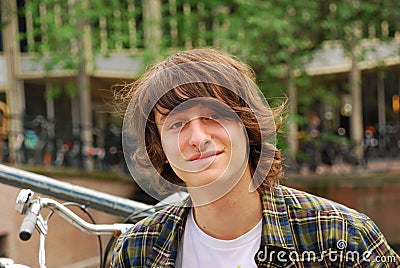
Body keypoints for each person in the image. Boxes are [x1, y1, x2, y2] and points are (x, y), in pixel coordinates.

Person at [111, 48, 399, 267]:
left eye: (213, 115)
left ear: (249, 127)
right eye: (176, 124)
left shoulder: (340, 235)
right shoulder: (138, 250)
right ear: (159, 148)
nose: (198, 138)